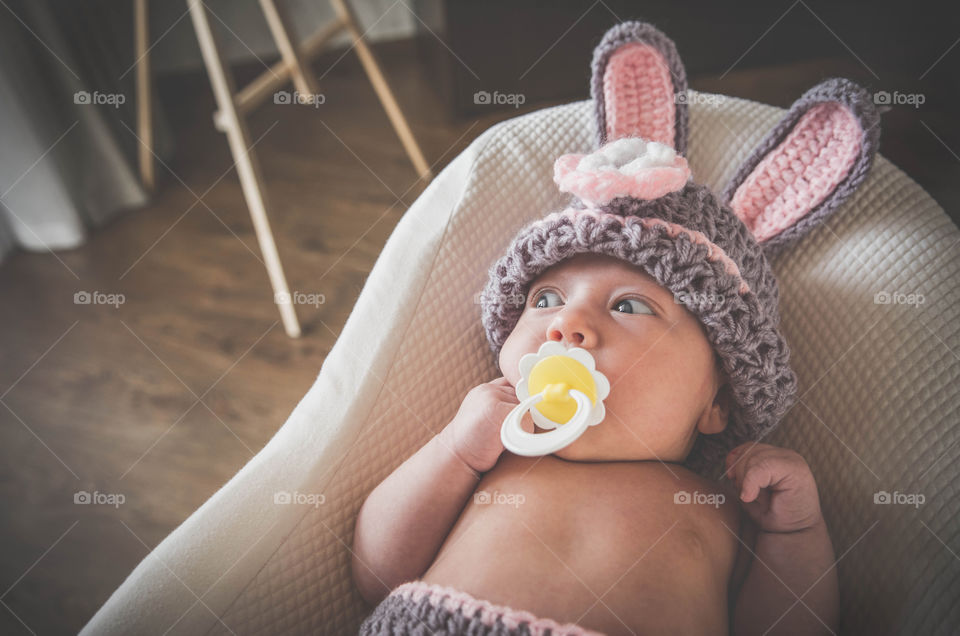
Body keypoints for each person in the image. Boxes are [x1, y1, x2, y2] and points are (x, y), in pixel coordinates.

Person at [352, 20, 880, 635]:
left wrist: (794, 531)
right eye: (545, 298)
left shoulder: (716, 507)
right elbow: (377, 574)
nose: (567, 323)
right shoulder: (493, 462)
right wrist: (453, 449)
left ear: (717, 400)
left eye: (629, 306)